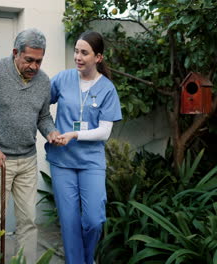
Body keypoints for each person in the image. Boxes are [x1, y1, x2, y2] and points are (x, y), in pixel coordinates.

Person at [0, 28, 60, 263]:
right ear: (15, 53)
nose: (34, 66)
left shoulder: (43, 81)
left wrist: (51, 132)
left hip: (28, 160)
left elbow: (43, 117)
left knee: (28, 220)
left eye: (39, 61)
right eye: (29, 59)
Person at [45, 31, 122, 264]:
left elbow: (105, 131)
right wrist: (50, 129)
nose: (78, 56)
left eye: (84, 53)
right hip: (62, 162)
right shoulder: (62, 79)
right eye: (76, 51)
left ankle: (87, 259)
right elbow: (39, 107)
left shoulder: (107, 88)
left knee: (93, 220)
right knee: (69, 223)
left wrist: (74, 134)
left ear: (98, 57)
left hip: (90, 162)